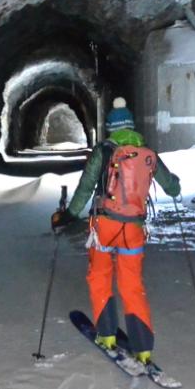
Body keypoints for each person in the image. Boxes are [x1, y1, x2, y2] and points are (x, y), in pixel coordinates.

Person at [51, 97, 181, 364]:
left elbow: (86, 188)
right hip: (133, 228)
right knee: (132, 284)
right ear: (132, 125)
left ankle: (107, 335)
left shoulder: (104, 151)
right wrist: (175, 185)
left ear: (111, 127)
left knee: (100, 277)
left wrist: (68, 216)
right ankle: (143, 347)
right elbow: (172, 187)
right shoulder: (147, 154)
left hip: (104, 227)